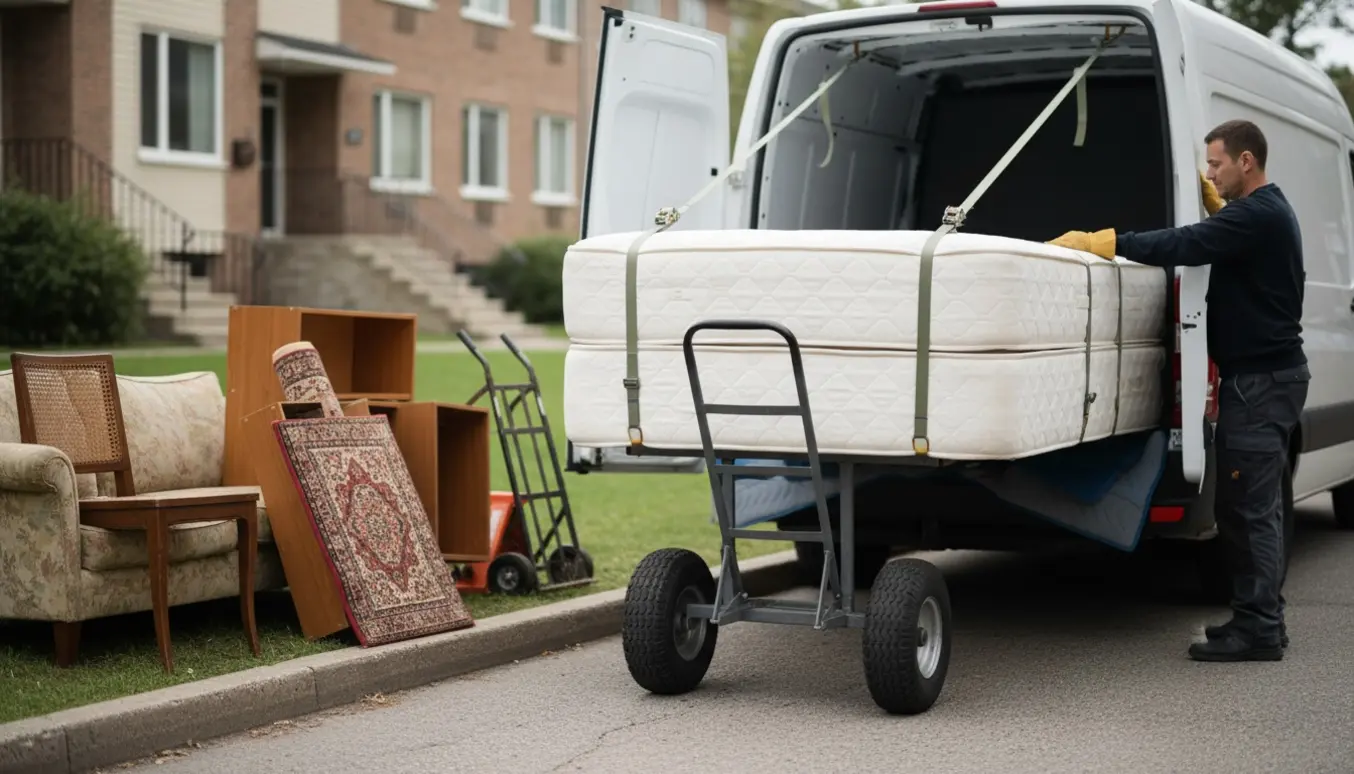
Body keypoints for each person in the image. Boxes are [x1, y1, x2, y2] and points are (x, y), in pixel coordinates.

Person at [1048, 119, 1309, 663]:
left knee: (1249, 509)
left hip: (1260, 384)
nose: (1209, 173)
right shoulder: (1265, 212)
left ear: (1246, 162)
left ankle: (1259, 628)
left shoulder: (1258, 215)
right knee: (1247, 507)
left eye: (1216, 164)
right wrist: (1219, 209)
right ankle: (1260, 617)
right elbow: (1224, 235)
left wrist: (1108, 242)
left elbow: (1185, 243)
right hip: (1263, 380)